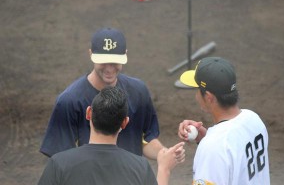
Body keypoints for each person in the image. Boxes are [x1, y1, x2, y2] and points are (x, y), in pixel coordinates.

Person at [40, 27, 165, 160]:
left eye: (114, 61)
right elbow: (61, 160)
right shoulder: (69, 101)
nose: (109, 68)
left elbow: (145, 141)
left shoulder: (138, 91)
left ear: (125, 55)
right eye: (103, 61)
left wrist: (166, 154)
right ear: (90, 54)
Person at [38, 86, 185, 185]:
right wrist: (164, 169)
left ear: (89, 113)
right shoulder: (140, 167)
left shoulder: (59, 164)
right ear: (124, 123)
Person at [177, 57, 270, 185]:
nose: (196, 95)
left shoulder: (213, 147)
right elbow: (236, 159)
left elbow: (221, 149)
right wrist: (204, 137)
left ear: (209, 97)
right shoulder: (254, 119)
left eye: (198, 89)